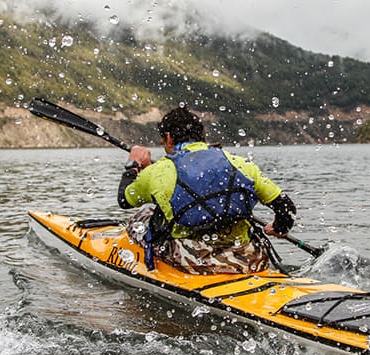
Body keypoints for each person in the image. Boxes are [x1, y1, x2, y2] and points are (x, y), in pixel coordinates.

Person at [117, 105, 297, 274]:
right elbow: (286, 207)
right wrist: (280, 228)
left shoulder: (158, 171)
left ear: (169, 137)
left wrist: (133, 166)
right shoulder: (239, 163)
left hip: (193, 261)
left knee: (144, 215)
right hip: (248, 257)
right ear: (201, 135)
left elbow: (125, 199)